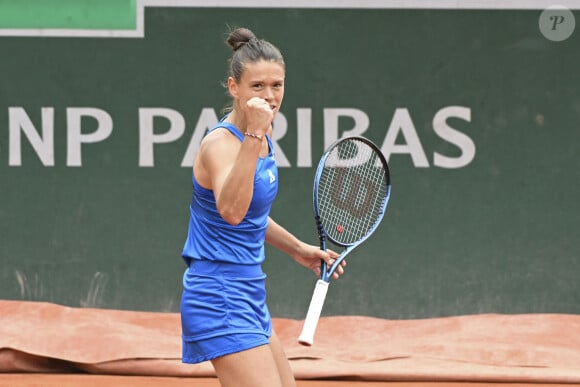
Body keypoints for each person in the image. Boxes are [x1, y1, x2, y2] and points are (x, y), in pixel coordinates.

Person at [180, 27, 345, 387]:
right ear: (234, 87)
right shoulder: (222, 145)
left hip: (250, 292)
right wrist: (254, 134)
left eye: (277, 85)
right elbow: (232, 212)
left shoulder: (262, 138)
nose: (269, 97)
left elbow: (251, 218)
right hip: (218, 295)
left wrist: (298, 249)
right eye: (257, 86)